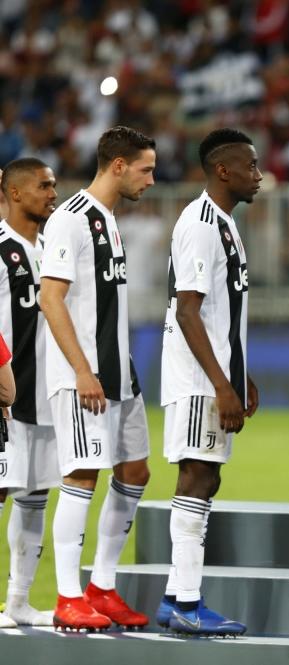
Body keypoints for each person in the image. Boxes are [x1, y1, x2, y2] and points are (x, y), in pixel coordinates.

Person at [39, 126, 156, 631]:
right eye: (146, 169)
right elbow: (50, 298)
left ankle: (101, 588)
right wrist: (84, 371)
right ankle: (68, 596)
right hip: (83, 376)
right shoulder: (70, 219)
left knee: (135, 472)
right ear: (117, 165)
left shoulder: (107, 219)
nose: (151, 180)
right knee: (82, 476)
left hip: (118, 373)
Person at [154, 129, 261, 636]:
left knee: (208, 476)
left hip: (214, 374)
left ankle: (178, 596)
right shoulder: (200, 225)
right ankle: (187, 604)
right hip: (198, 380)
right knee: (196, 476)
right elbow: (188, 310)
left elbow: (221, 313)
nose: (259, 175)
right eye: (251, 166)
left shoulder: (225, 225)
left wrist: (241, 374)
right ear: (224, 170)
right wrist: (221, 384)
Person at [0, 158, 59, 627]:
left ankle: (18, 601)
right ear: (15, 193)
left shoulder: (52, 250)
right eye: (43, 186)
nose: (52, 194)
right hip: (5, 398)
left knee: (35, 495)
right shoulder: (1, 250)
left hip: (44, 395)